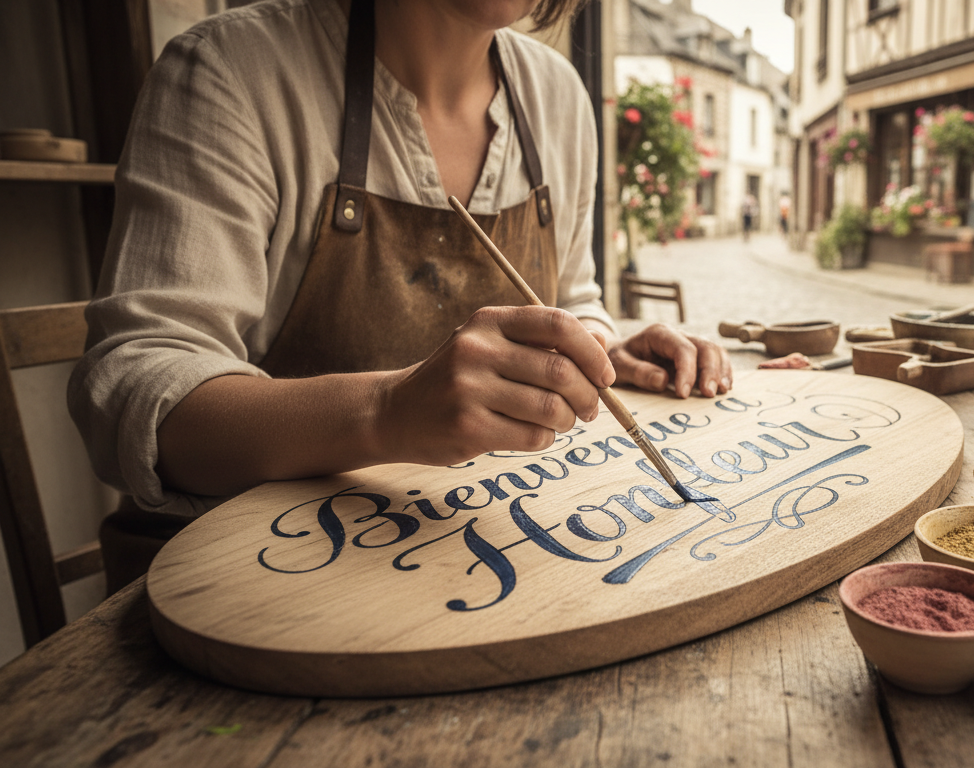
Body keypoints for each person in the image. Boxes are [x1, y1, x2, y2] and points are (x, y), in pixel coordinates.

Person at [67, 0, 732, 588]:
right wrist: (388, 410)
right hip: (259, 592)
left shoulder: (556, 93)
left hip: (477, 562)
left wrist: (601, 345)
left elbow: (574, 294)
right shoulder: (231, 71)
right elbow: (136, 395)